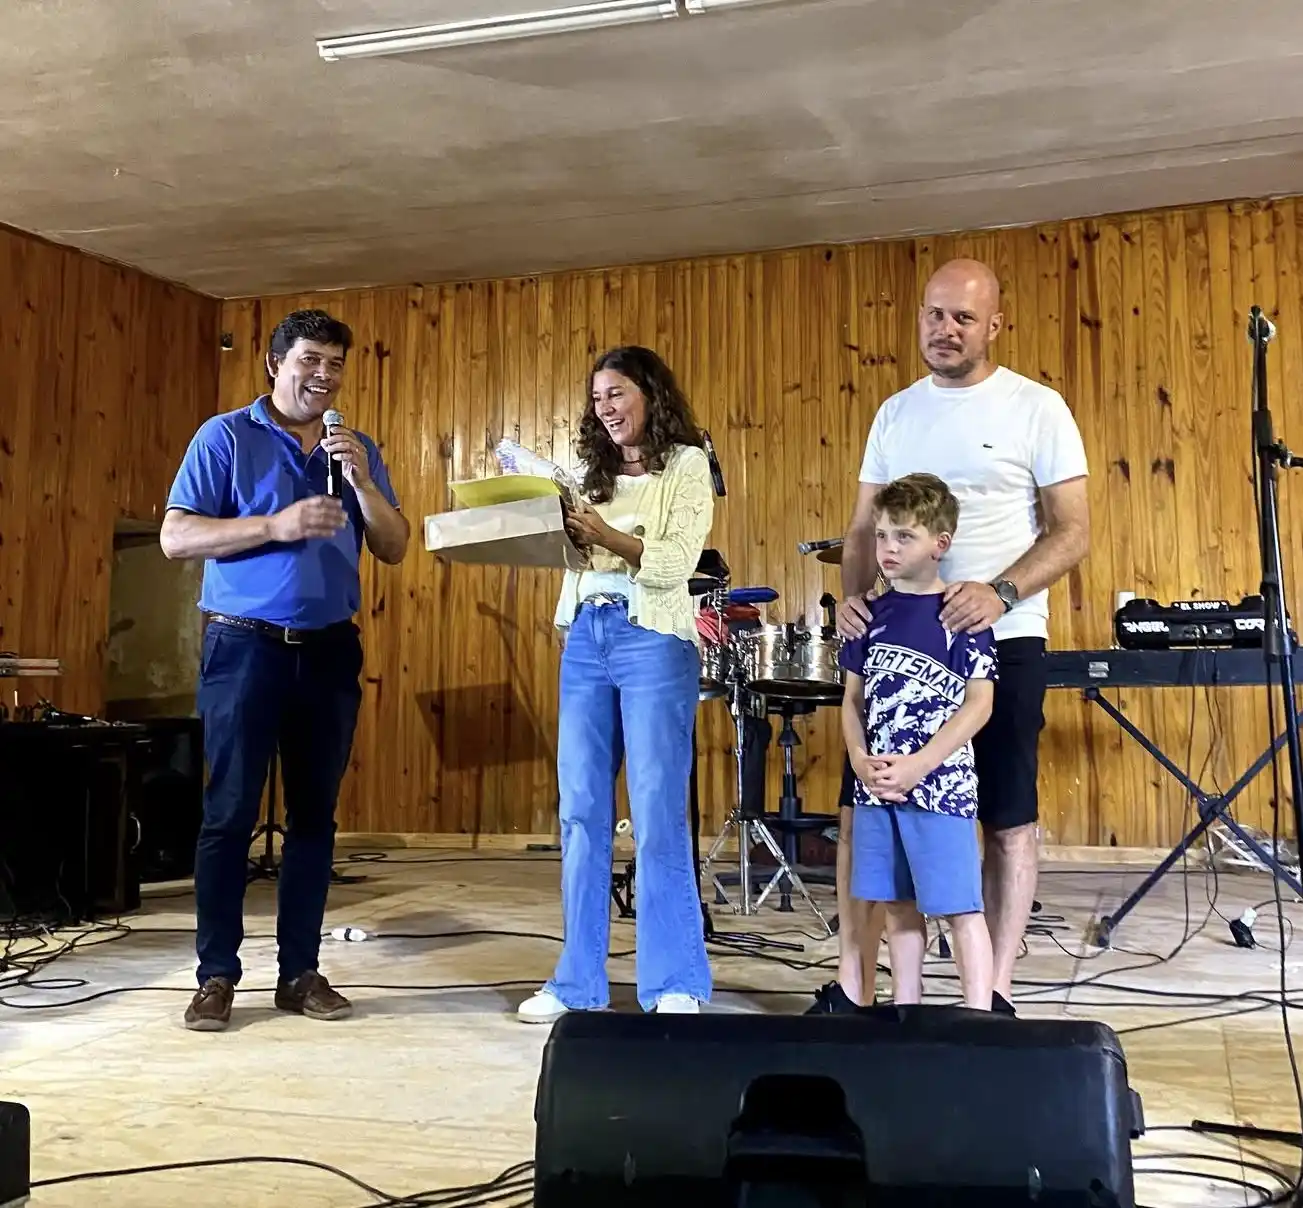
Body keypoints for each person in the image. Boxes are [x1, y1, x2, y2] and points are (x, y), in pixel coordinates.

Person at [814, 258, 1090, 1016]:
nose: (944, 328)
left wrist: (997, 593)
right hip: (897, 637)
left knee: (1003, 817)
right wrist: (850, 601)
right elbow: (863, 527)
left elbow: (1071, 535)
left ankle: (990, 993)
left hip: (1001, 636)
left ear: (994, 325)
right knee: (861, 807)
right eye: (934, 314)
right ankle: (853, 989)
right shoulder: (896, 413)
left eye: (962, 318)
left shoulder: (1037, 408)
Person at [161, 308, 409, 1032]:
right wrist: (276, 525)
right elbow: (177, 537)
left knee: (313, 820)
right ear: (275, 364)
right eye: (309, 360)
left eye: (334, 363)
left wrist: (362, 482)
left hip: (330, 649)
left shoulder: (350, 447)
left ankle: (299, 972)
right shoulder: (224, 437)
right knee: (228, 814)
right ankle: (215, 976)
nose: (323, 375)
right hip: (245, 646)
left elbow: (393, 545)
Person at [518, 345, 715, 1022]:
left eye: (617, 395)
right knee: (579, 814)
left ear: (650, 396)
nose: (605, 409)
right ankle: (576, 982)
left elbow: (676, 562)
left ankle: (674, 982)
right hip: (586, 637)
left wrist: (609, 534)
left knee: (658, 814)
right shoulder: (585, 473)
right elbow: (573, 558)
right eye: (597, 399)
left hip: (654, 636)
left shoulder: (686, 465)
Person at [839, 474, 996, 1009]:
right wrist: (859, 759)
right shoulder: (866, 616)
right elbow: (852, 702)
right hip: (876, 787)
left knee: (959, 907)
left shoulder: (963, 616)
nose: (887, 548)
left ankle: (980, 1017)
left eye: (904, 536)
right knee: (897, 906)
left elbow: (981, 703)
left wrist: (920, 766)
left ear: (939, 544)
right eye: (882, 535)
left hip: (940, 788)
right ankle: (906, 1009)